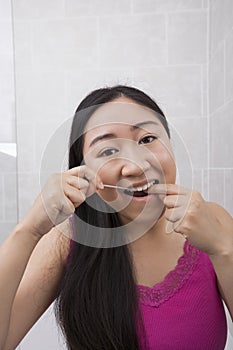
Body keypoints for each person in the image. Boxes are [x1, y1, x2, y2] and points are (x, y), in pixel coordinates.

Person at [0, 85, 232, 350]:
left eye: (147, 139)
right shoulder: (66, 241)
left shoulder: (214, 220)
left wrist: (223, 250)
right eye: (108, 151)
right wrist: (28, 229)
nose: (136, 166)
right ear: (84, 171)